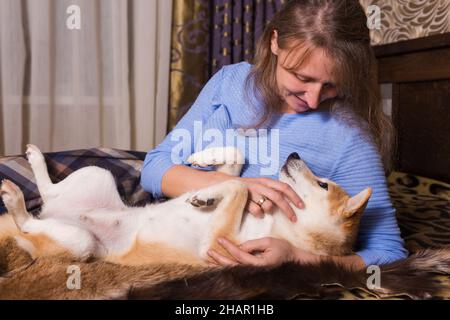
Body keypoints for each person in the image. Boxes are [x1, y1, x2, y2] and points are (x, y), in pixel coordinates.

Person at [141, 0, 408, 270]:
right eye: (301, 78)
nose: (314, 100)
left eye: (330, 85)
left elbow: (389, 252)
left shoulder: (348, 137)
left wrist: (297, 257)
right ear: (275, 42)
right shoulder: (229, 81)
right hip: (163, 221)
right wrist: (231, 187)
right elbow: (154, 168)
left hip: (196, 259)